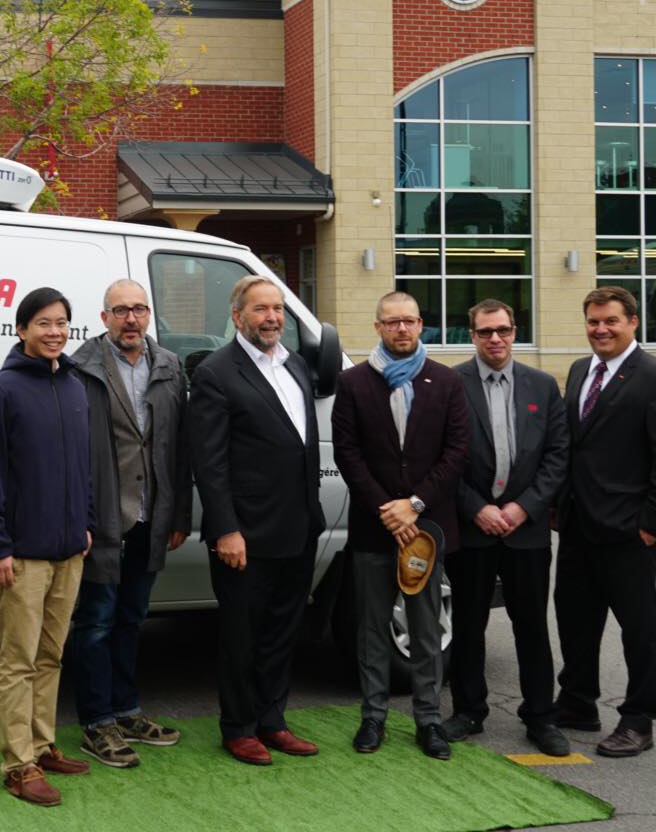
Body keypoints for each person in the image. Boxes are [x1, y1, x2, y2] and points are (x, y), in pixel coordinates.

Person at [187, 275, 326, 766]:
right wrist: (225, 528)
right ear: (238, 317)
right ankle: (239, 727)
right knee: (242, 638)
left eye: (278, 309)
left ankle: (273, 721)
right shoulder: (216, 373)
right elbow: (209, 462)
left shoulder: (297, 367)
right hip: (244, 535)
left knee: (281, 634)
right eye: (261, 309)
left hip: (298, 527)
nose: (272, 318)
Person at [0, 287, 96, 806]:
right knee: (18, 660)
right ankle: (18, 764)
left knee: (51, 655)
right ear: (22, 330)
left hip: (69, 551)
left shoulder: (73, 386)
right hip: (22, 555)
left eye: (62, 322)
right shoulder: (1, 391)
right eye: (43, 323)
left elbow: (83, 467)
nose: (55, 332)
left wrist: (85, 524)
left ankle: (43, 746)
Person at [553, 285, 656, 759]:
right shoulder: (579, 370)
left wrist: (652, 525)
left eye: (610, 320)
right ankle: (576, 703)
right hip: (577, 526)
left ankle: (639, 718)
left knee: (638, 629)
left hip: (629, 531)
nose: (601, 329)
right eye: (593, 321)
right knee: (574, 621)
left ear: (633, 322)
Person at [333, 290, 468, 760]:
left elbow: (456, 454)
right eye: (392, 322)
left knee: (426, 629)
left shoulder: (447, 382)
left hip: (426, 530)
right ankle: (373, 717)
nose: (402, 329)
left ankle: (429, 719)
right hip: (375, 528)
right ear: (378, 327)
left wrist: (414, 504)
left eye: (410, 321)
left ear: (421, 325)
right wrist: (387, 510)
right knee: (371, 627)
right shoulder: (353, 384)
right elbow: (348, 454)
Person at [67, 279, 191, 769]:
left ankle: (126, 711)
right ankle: (97, 722)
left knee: (131, 619)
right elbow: (71, 455)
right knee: (95, 622)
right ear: (104, 319)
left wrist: (178, 514)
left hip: (151, 517)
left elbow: (180, 449)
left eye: (139, 309)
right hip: (103, 521)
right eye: (120, 311)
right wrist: (79, 518)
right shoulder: (80, 370)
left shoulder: (169, 366)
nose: (131, 319)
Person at [445, 299, 571, 757]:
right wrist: (476, 507)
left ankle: (540, 716)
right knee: (469, 623)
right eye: (484, 332)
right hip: (473, 527)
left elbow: (559, 456)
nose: (494, 339)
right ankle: (467, 711)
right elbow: (443, 459)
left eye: (502, 330)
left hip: (526, 530)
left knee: (531, 626)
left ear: (514, 331)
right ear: (471, 335)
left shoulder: (542, 384)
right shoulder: (451, 385)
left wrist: (524, 508)